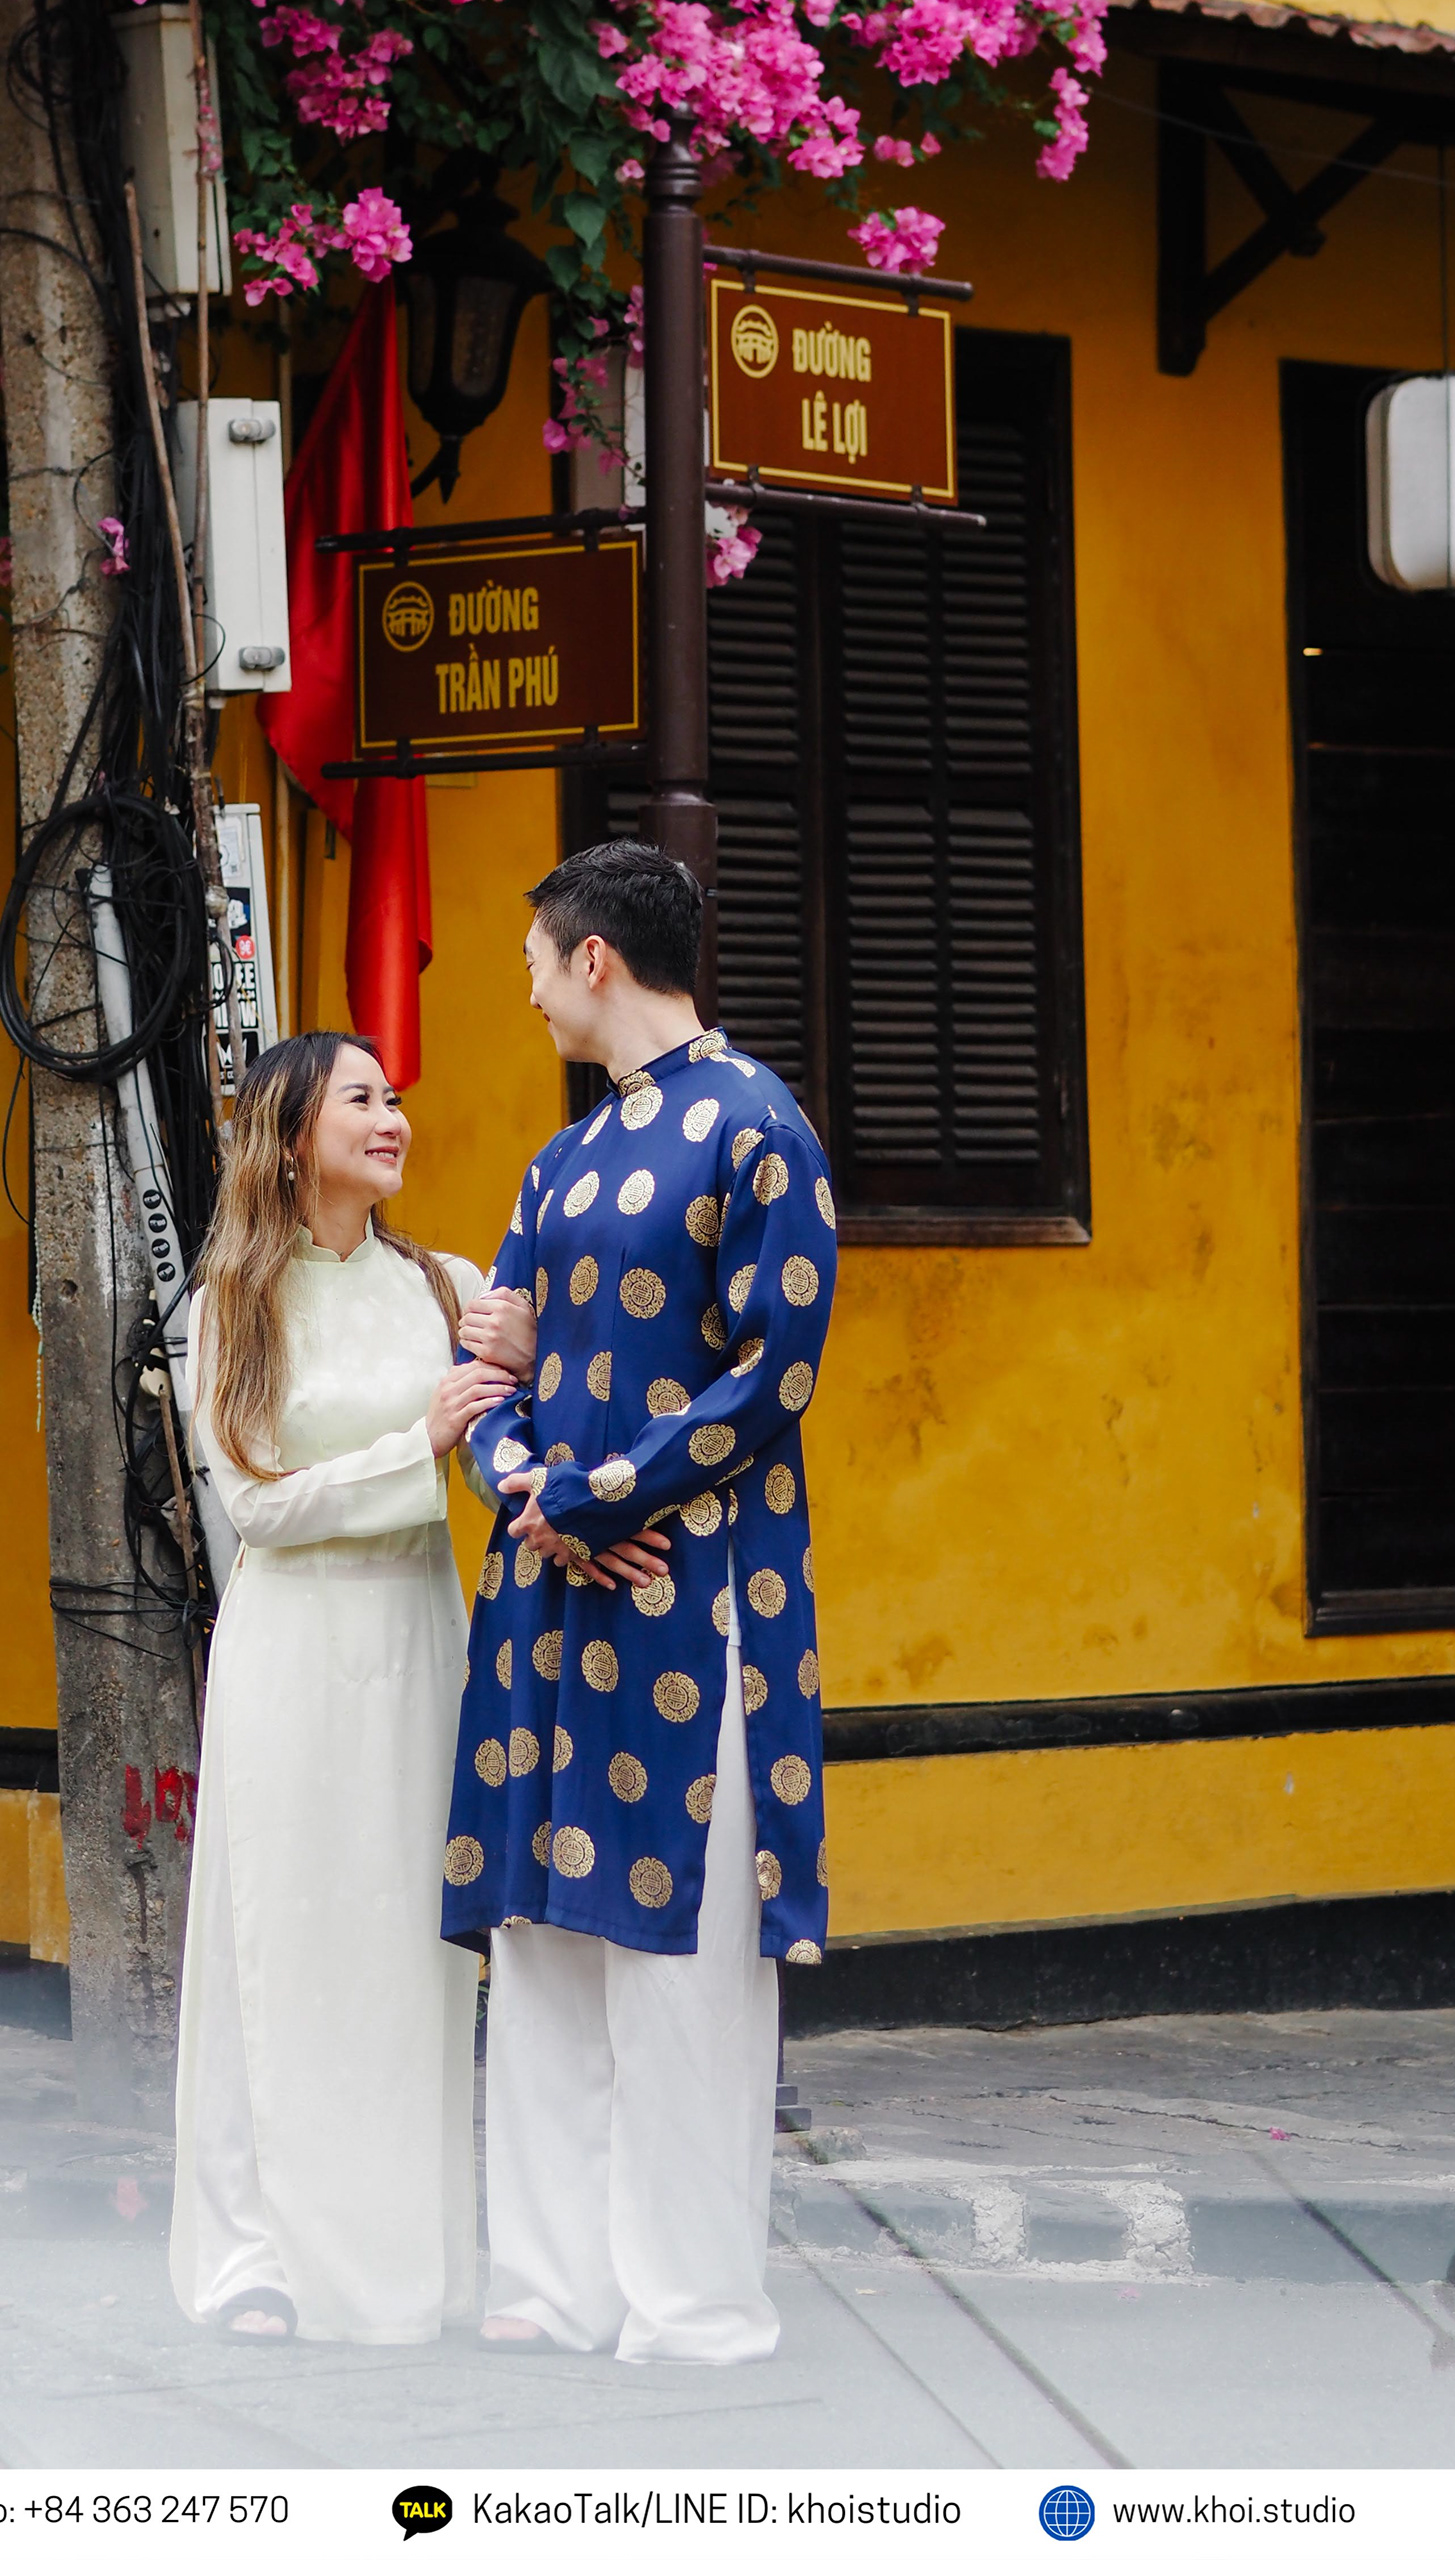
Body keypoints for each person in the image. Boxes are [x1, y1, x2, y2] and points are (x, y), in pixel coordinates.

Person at [451, 839, 837, 2365]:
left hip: (696, 1600)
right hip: (552, 1595)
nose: (532, 993)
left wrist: (596, 1496)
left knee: (680, 1970)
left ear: (594, 958)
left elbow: (777, 1376)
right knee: (543, 1943)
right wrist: (524, 1486)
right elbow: (491, 1368)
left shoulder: (760, 1129)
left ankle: (691, 2306)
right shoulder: (558, 1163)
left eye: (540, 962)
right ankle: (551, 2289)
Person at [169, 1030, 516, 2346]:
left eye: (395, 1097)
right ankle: (256, 2257)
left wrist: (528, 1372)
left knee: (405, 1947)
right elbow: (256, 1509)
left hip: (423, 1642)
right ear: (294, 1131)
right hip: (295, 1650)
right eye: (361, 1098)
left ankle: (409, 2259)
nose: (393, 1116)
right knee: (286, 1931)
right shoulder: (227, 1307)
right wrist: (412, 1442)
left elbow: (503, 1456)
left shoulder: (446, 1287)